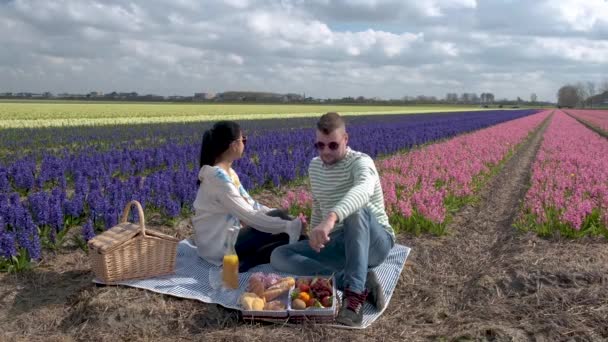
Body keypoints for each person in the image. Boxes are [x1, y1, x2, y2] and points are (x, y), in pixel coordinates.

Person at [270, 112, 395, 326]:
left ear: (345, 139)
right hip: (339, 242)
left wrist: (332, 217)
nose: (326, 152)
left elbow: (362, 191)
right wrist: (315, 235)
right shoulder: (315, 167)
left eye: (333, 145)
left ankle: (354, 298)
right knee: (280, 255)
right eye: (320, 145)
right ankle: (352, 278)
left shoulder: (361, 162)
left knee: (357, 212)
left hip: (374, 241)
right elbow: (318, 203)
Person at [192, 121, 305, 272]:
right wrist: (288, 225)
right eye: (243, 139)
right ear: (233, 145)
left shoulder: (228, 173)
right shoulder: (218, 178)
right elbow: (249, 215)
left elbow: (252, 205)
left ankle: (251, 260)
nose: (245, 143)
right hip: (218, 248)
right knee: (285, 234)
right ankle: (312, 250)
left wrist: (286, 218)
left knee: (280, 219)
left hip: (225, 239)